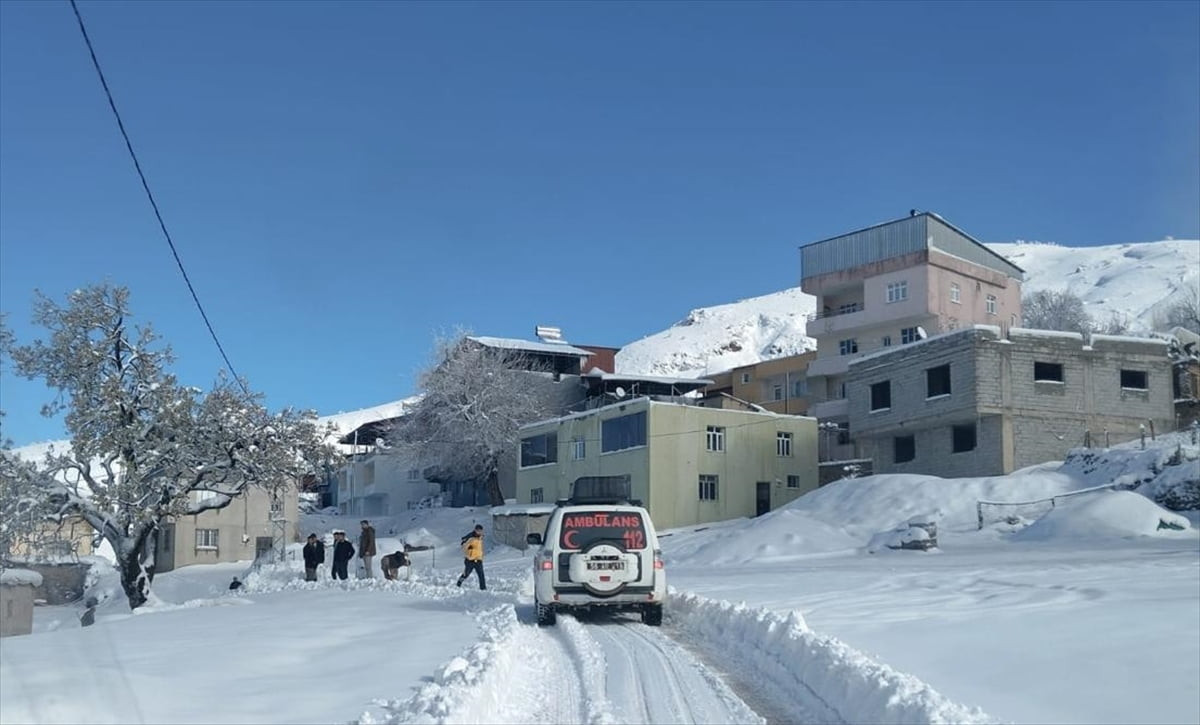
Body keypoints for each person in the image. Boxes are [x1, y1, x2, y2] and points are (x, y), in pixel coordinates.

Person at [455, 524, 486, 590]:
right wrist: (469, 549)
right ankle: (458, 583)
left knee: (481, 575)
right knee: (466, 574)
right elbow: (463, 545)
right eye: (478, 530)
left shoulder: (480, 538)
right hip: (470, 560)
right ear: (475, 530)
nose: (479, 532)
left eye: (480, 531)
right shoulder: (470, 537)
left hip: (478, 559)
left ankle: (483, 589)